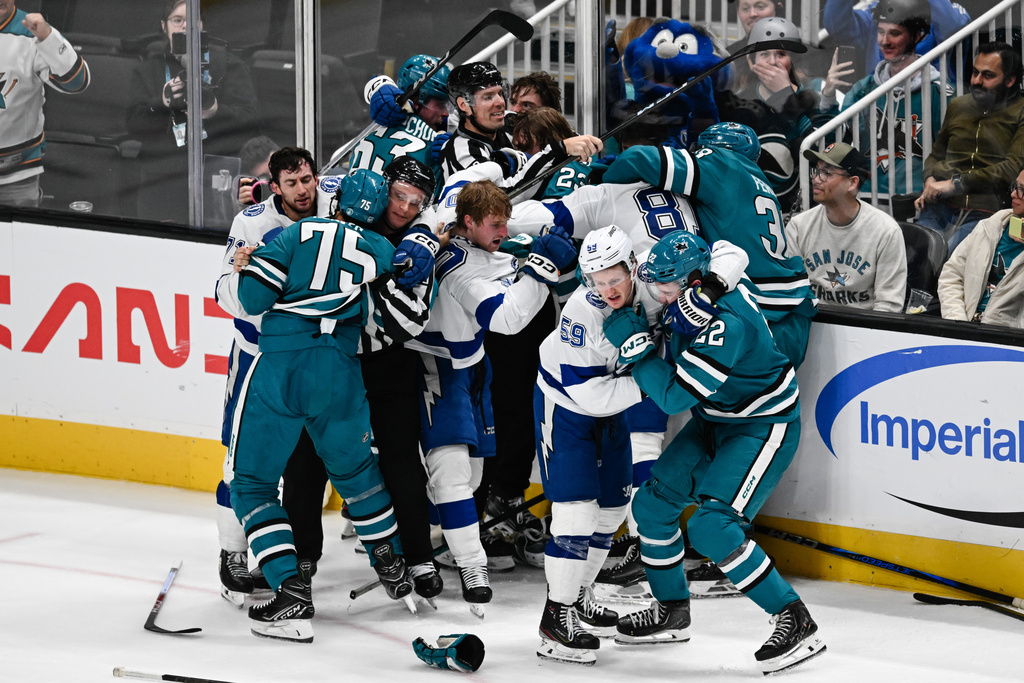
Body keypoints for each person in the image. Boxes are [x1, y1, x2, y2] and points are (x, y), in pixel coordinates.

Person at [601, 230, 826, 676]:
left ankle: (794, 619)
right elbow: (727, 249)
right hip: (718, 418)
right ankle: (672, 610)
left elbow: (671, 398)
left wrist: (634, 345)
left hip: (762, 426)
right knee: (651, 505)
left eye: (667, 288)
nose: (658, 296)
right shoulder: (702, 281)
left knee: (711, 527)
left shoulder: (728, 323)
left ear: (692, 283)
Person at [228, 169, 436, 642]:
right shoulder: (384, 252)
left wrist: (248, 265)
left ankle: (290, 592)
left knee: (253, 484)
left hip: (284, 366)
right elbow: (399, 316)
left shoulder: (296, 233)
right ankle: (391, 561)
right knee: (360, 474)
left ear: (336, 199)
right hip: (342, 372)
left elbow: (252, 298)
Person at [404, 179, 577, 616]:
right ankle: (469, 566)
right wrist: (541, 270)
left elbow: (502, 253)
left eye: (505, 221)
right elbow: (506, 319)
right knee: (452, 472)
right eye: (495, 224)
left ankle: (427, 543)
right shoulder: (459, 268)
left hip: (473, 366)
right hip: (437, 366)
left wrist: (524, 253)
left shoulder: (474, 238)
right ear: (469, 221)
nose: (503, 229)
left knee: (476, 476)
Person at [213, 147, 346, 605]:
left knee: (310, 460)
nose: (303, 190)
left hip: (315, 356)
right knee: (241, 459)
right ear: (275, 186)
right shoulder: (251, 223)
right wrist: (249, 277)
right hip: (257, 357)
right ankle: (233, 552)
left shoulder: (335, 196)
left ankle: (297, 557)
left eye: (308, 179)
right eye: (292, 183)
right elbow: (224, 293)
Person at [534, 226, 662, 665]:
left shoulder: (653, 276)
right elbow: (588, 395)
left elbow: (724, 257)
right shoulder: (580, 314)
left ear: (632, 267)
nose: (606, 289)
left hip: (611, 403)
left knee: (612, 508)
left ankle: (579, 594)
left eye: (613, 277)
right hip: (567, 408)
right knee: (576, 512)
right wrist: (657, 386)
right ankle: (556, 617)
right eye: (595, 279)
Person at [359, 155, 444, 600]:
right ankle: (301, 557)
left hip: (390, 360)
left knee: (403, 462)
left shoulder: (420, 237)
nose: (406, 208)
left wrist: (427, 235)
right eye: (399, 196)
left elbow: (409, 321)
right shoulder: (351, 211)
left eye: (416, 202)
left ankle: (419, 556)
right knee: (309, 463)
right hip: (334, 362)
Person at [126, 0, 258, 224]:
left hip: (216, 171)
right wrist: (161, 102)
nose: (185, 27)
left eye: (192, 20)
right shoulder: (147, 69)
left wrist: (216, 110)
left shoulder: (227, 64)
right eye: (177, 20)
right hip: (161, 175)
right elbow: (133, 126)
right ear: (163, 26)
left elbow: (252, 120)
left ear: (201, 25)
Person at [818, 0, 948, 198]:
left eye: (894, 33)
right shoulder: (864, 90)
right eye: (880, 32)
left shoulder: (939, 92)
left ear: (917, 36)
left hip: (921, 206)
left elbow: (951, 157)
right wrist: (827, 96)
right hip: (868, 202)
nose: (884, 41)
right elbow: (833, 147)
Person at [914, 42, 1024, 251]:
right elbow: (935, 156)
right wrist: (929, 180)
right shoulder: (958, 105)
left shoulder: (1020, 112)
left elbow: (1011, 168)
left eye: (988, 76)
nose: (976, 81)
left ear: (1010, 80)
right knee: (918, 254)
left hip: (986, 208)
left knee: (953, 260)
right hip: (940, 206)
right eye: (974, 73)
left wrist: (954, 183)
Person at [436, 61, 601, 196]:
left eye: (500, 93)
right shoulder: (461, 152)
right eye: (488, 97)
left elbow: (566, 138)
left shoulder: (508, 120)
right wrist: (556, 151)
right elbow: (499, 199)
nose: (500, 102)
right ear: (463, 105)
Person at [718, 17, 829, 213]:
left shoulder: (815, 99)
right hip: (753, 213)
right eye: (764, 54)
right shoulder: (741, 105)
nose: (772, 62)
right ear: (751, 62)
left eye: (781, 54)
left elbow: (819, 157)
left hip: (807, 212)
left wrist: (785, 96)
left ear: (792, 61)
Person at [786, 142, 908, 311]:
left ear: (852, 183)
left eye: (826, 173)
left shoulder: (886, 231)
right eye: (816, 171)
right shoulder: (799, 227)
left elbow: (888, 306)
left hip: (864, 330)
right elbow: (791, 293)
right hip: (811, 324)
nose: (815, 179)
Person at [0, 1, 90, 207]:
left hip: (16, 179)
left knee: (21, 239)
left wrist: (48, 39)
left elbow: (77, 82)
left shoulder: (34, 32)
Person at [937, 167, 1024, 326]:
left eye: (1023, 190)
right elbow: (952, 274)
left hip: (1009, 342)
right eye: (1015, 186)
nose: (1013, 194)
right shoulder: (990, 226)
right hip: (966, 328)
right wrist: (957, 322)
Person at [358, 54, 450, 178]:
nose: (446, 113)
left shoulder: (374, 131)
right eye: (440, 104)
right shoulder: (426, 148)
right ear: (417, 100)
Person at [823, 0, 970, 78]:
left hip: (929, 109)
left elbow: (953, 29)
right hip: (881, 109)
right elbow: (837, 26)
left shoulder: (948, 13)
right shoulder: (876, 14)